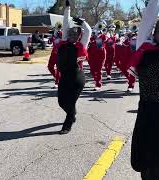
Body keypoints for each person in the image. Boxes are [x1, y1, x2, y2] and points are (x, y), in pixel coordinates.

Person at [129, 0, 159, 179]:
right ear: (154, 33)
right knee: (141, 165)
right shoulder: (145, 48)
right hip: (146, 114)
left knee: (157, 169)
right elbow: (148, 19)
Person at [57, 0, 91, 134]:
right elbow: (66, 24)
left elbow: (88, 31)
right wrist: (67, 9)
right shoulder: (64, 42)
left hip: (77, 78)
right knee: (61, 102)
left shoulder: (81, 45)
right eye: (70, 34)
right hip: (64, 77)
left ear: (79, 37)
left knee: (70, 102)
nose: (71, 36)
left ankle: (68, 124)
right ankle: (72, 113)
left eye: (75, 35)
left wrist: (82, 23)